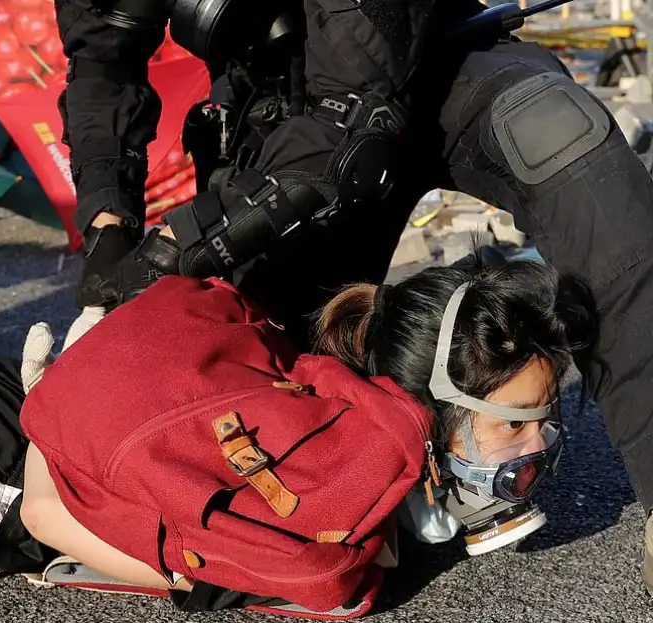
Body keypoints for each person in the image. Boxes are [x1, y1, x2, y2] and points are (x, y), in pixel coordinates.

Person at [54, 0, 653, 593]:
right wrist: (109, 229)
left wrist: (172, 250)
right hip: (281, 96)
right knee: (234, 371)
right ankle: (416, 453)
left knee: (566, 146)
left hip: (433, 55)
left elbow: (350, 113)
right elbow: (104, 57)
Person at [0, 254, 600, 614]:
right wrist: (54, 399)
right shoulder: (313, 526)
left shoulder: (325, 414)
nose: (534, 453)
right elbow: (47, 516)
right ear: (427, 416)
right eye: (514, 429)